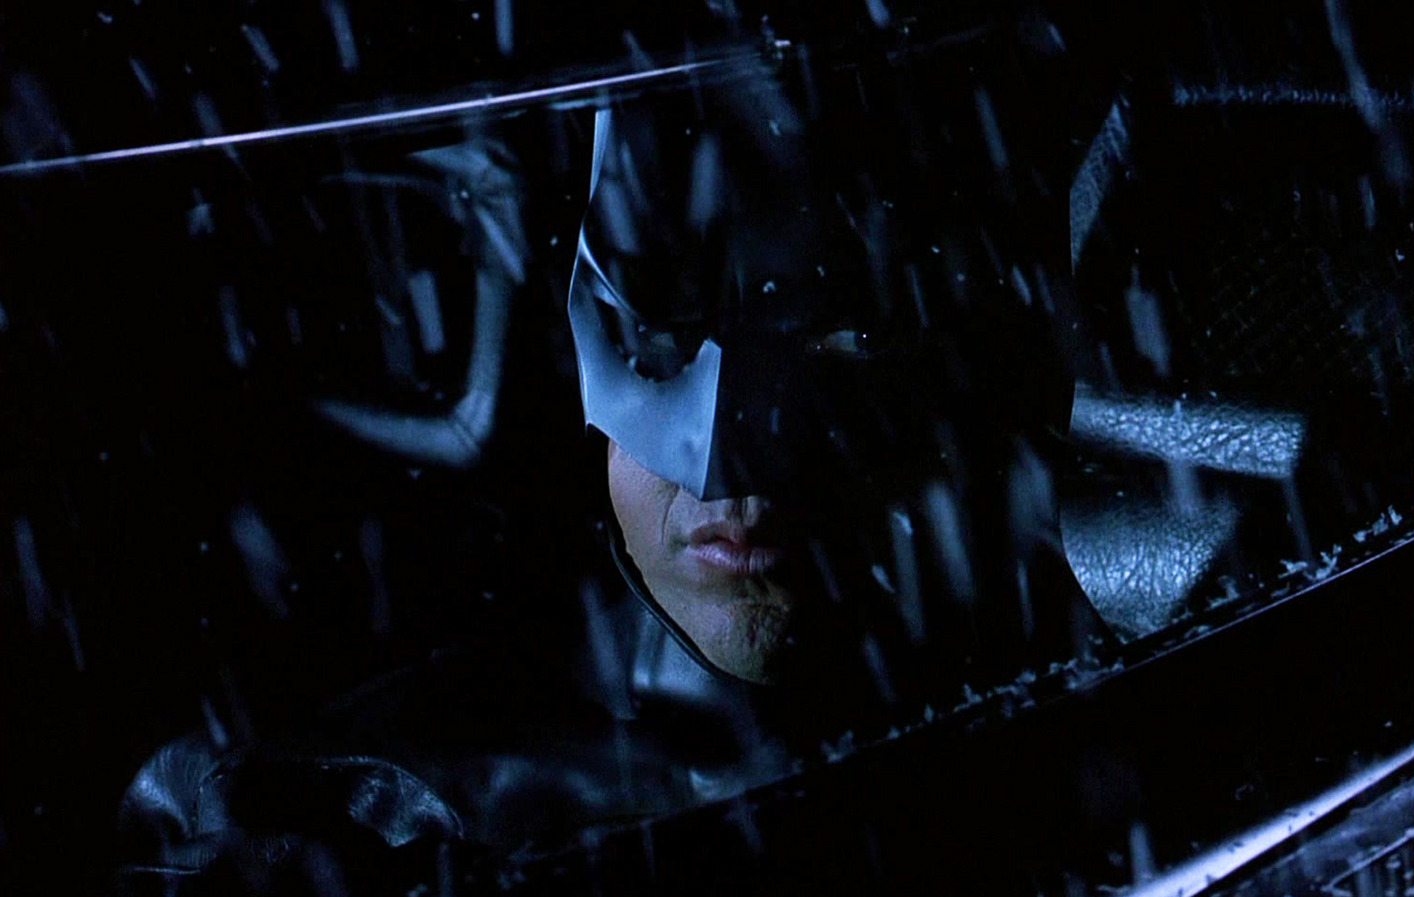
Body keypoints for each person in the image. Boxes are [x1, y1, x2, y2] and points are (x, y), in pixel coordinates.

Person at [113, 51, 1105, 896]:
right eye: (655, 340)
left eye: (832, 342)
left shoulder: (1068, 649)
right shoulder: (408, 790)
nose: (727, 468)